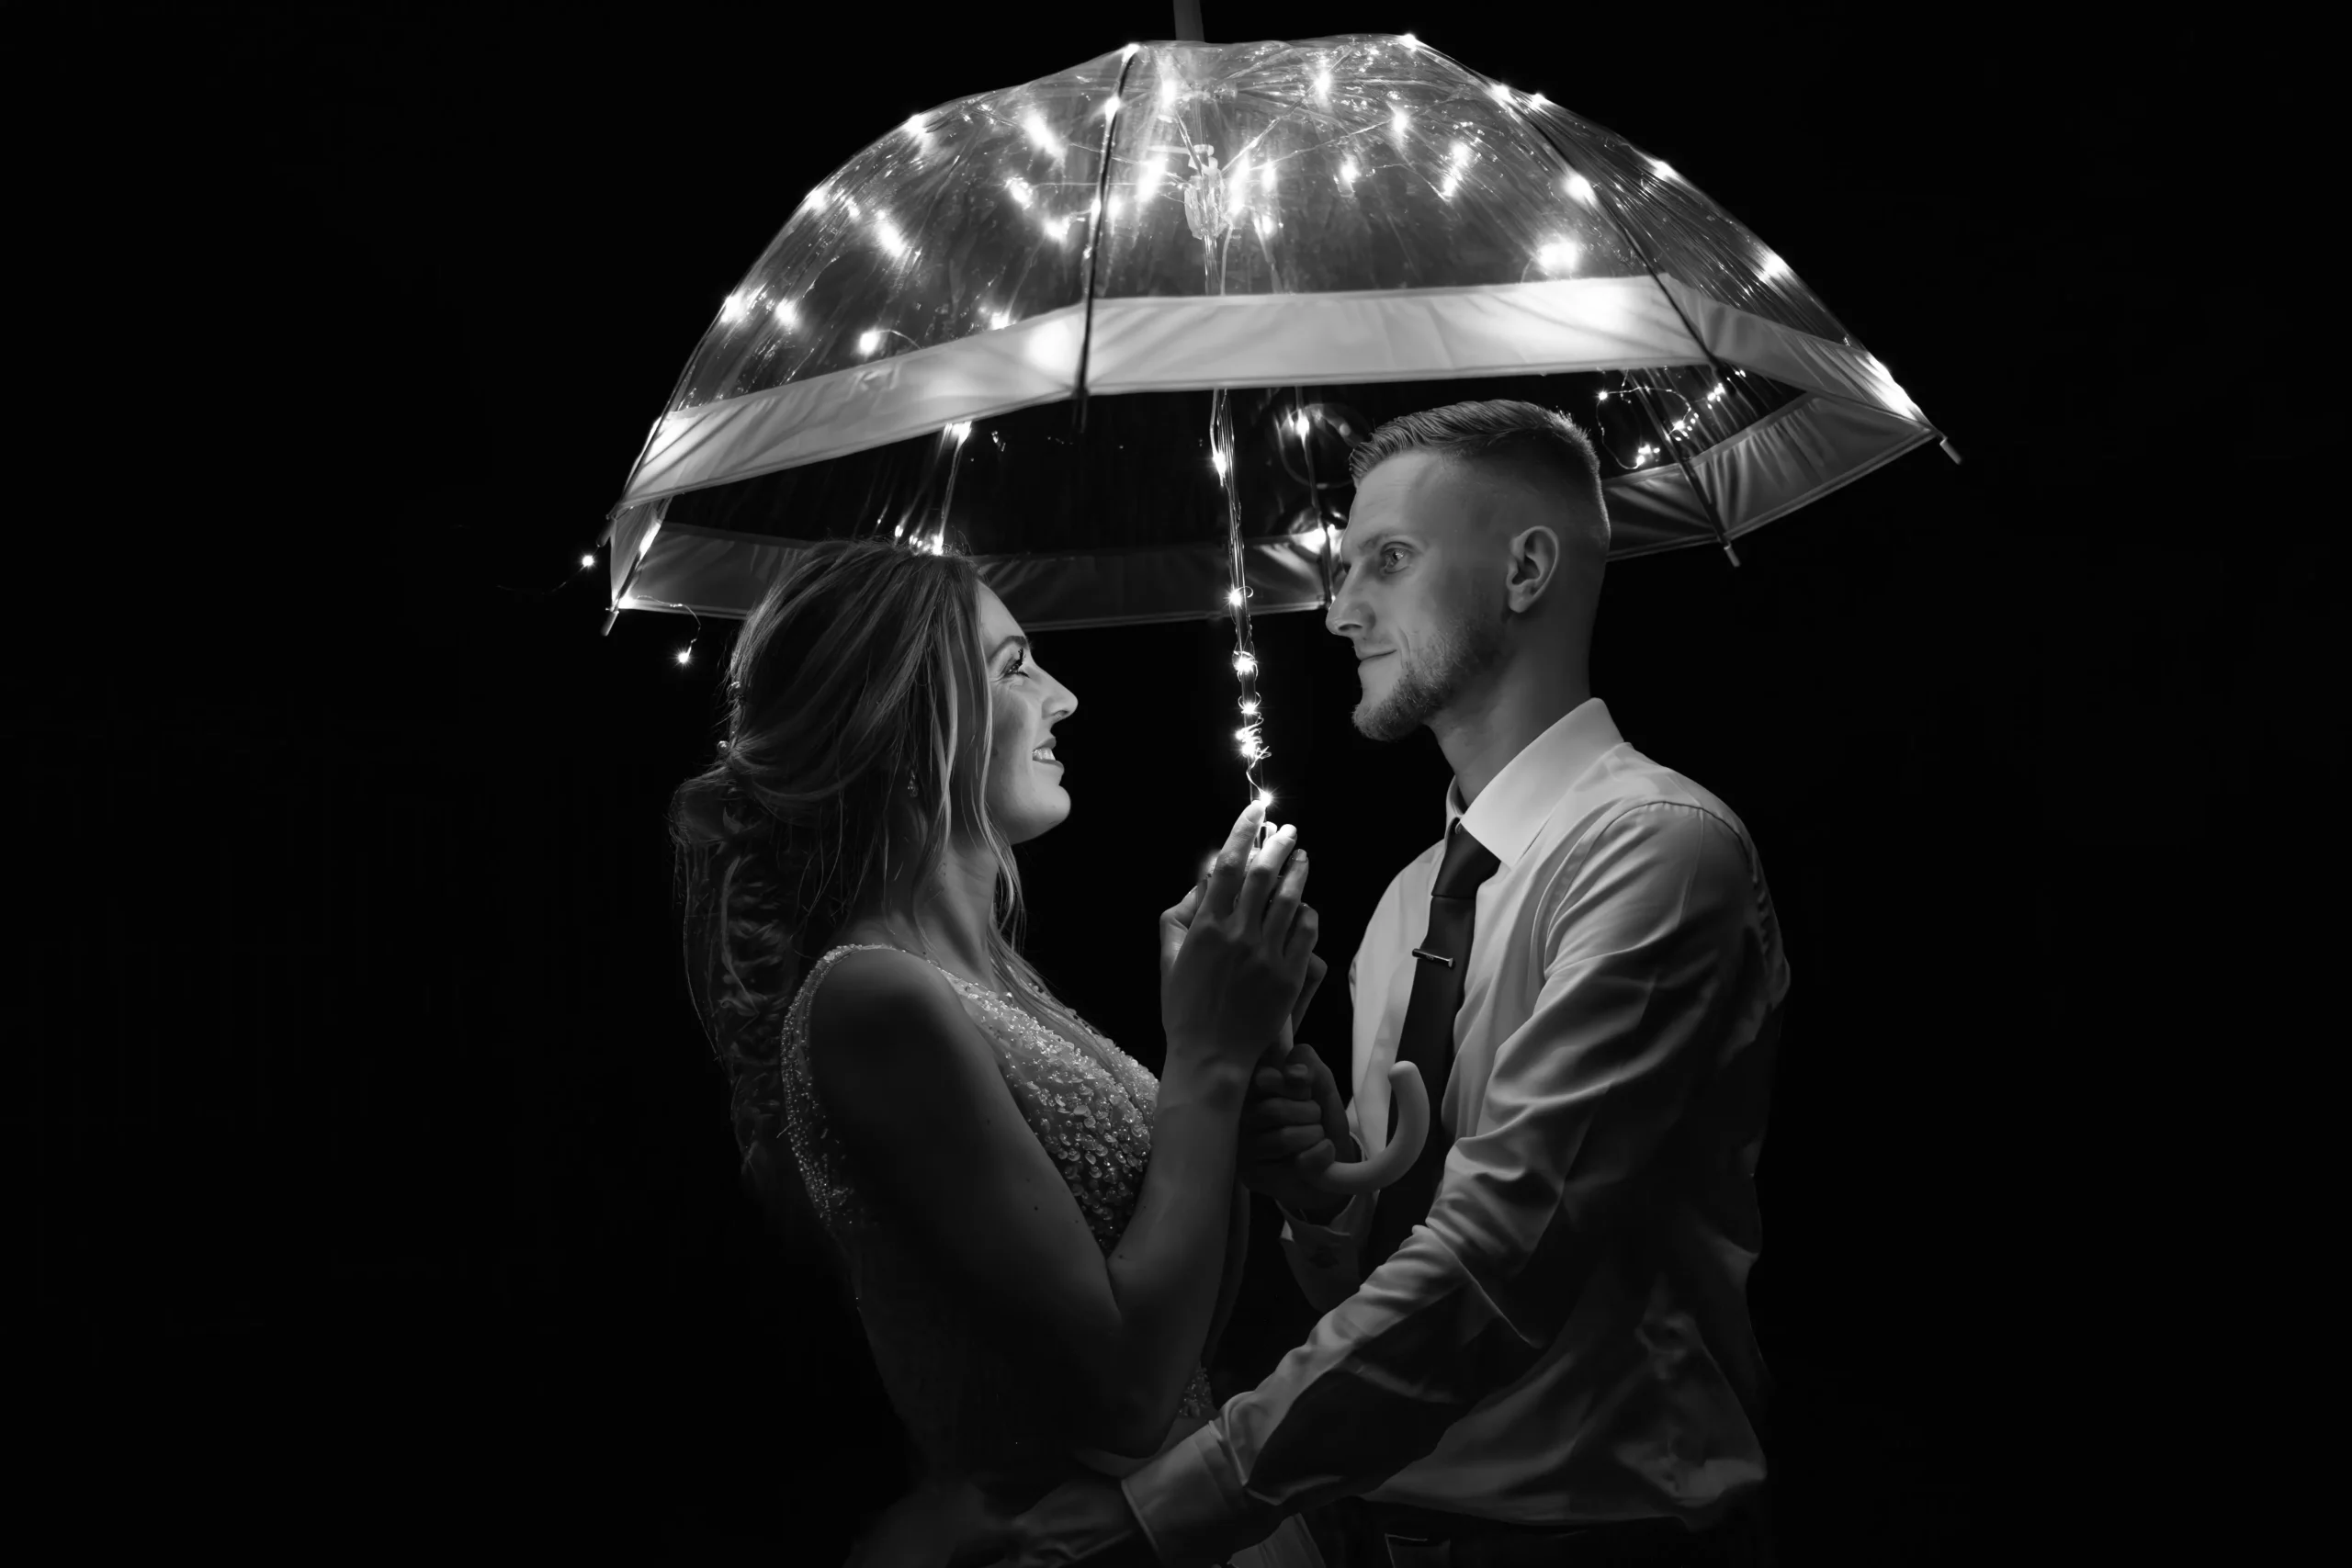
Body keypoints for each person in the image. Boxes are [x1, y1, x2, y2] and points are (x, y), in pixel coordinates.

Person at [987, 400, 1792, 1568]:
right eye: (1341, 566)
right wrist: (1326, 1187)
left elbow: (1493, 1265)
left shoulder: (1658, 853)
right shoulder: (1412, 901)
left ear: (1524, 569)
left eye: (1389, 562)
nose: (1337, 608)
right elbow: (1369, 1267)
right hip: (1371, 1527)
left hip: (1602, 1535)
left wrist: (1163, 1514)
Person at [667, 539, 1331, 1567]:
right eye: (1014, 666)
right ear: (902, 711)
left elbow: (1183, 1332)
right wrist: (1202, 1051)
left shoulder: (1001, 985)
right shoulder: (871, 999)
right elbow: (1121, 1401)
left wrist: (1239, 1077)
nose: (1062, 699)